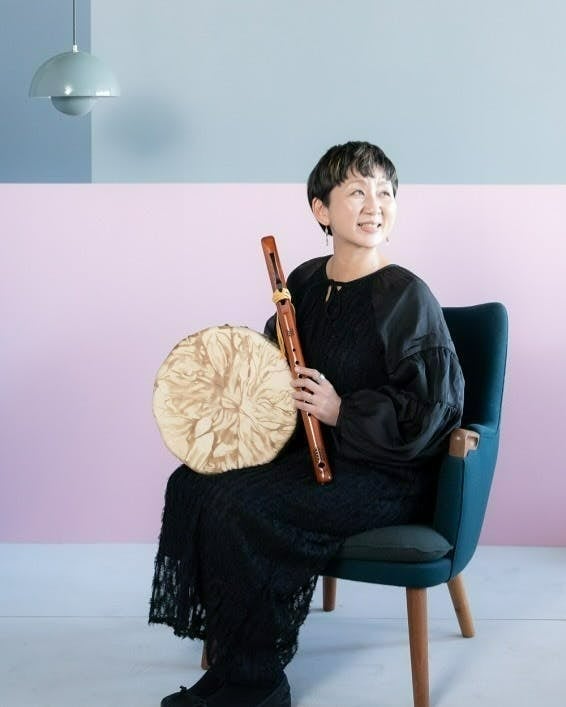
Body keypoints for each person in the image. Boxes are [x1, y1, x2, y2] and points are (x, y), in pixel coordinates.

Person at [149, 141, 465, 707]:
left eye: (385, 192)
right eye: (357, 191)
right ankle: (234, 659)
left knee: (240, 506)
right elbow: (275, 370)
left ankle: (257, 683)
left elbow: (431, 413)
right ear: (321, 209)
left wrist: (342, 410)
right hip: (311, 457)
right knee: (193, 483)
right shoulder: (303, 281)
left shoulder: (407, 296)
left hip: (385, 473)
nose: (375, 205)